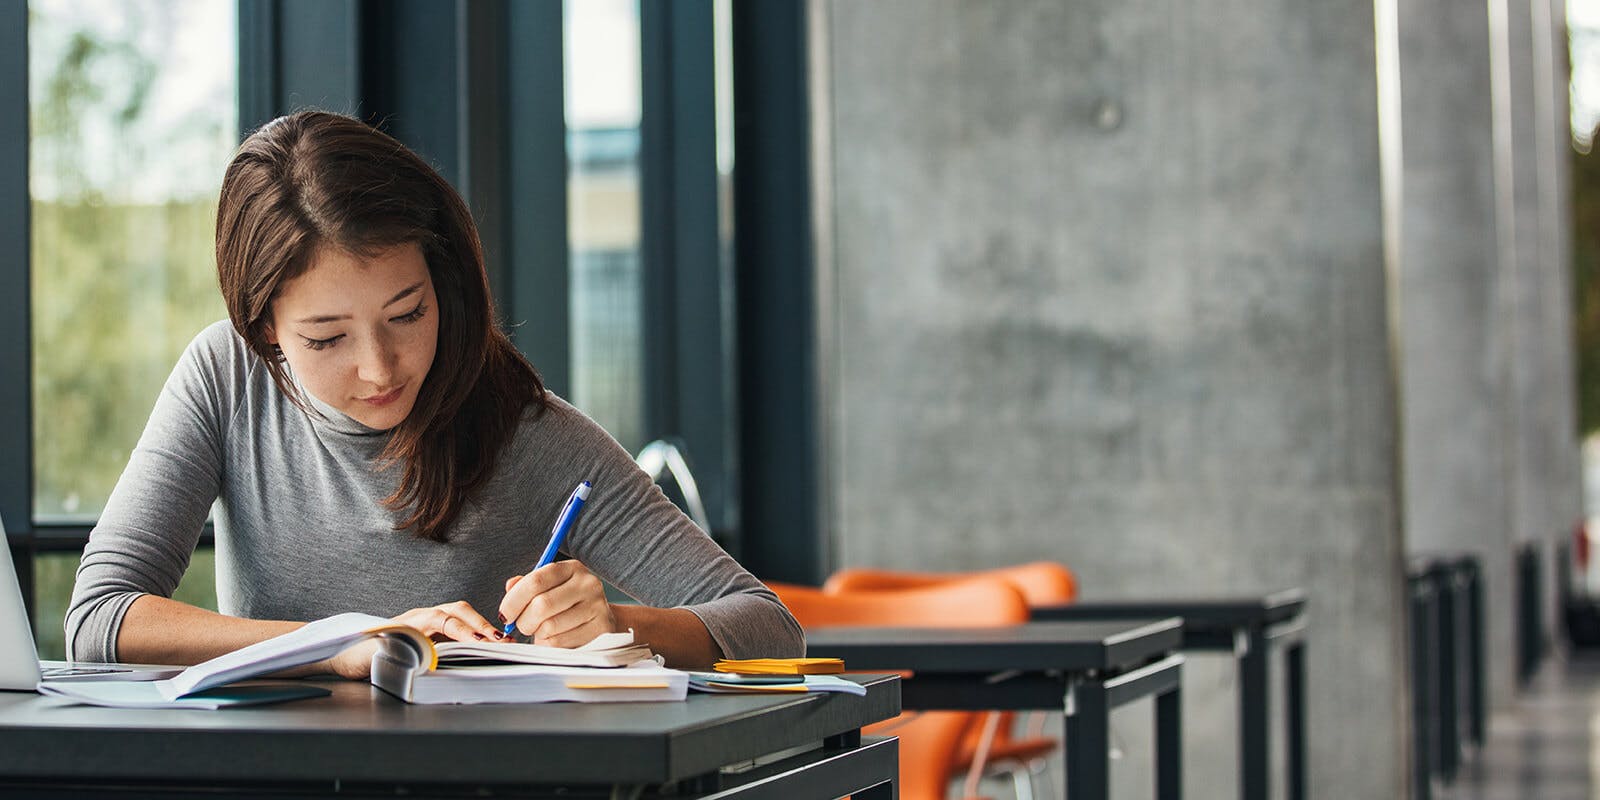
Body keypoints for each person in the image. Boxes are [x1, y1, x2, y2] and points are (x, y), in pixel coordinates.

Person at [65, 110, 803, 677]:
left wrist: (618, 624)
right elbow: (100, 619)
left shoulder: (526, 431)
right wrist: (348, 641)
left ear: (443, 284)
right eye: (327, 340)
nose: (381, 369)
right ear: (264, 332)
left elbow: (770, 627)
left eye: (408, 314)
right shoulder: (227, 378)